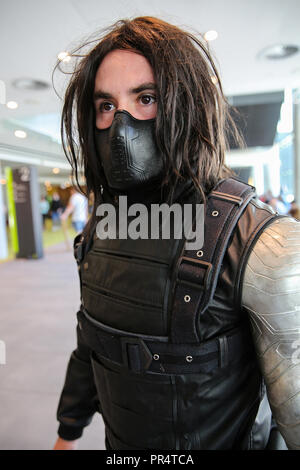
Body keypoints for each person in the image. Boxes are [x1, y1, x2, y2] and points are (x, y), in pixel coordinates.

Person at [53, 17, 300, 450]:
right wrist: (68, 430)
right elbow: (91, 338)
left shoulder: (261, 244)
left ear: (184, 103)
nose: (122, 122)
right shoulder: (101, 227)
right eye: (106, 105)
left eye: (145, 98)